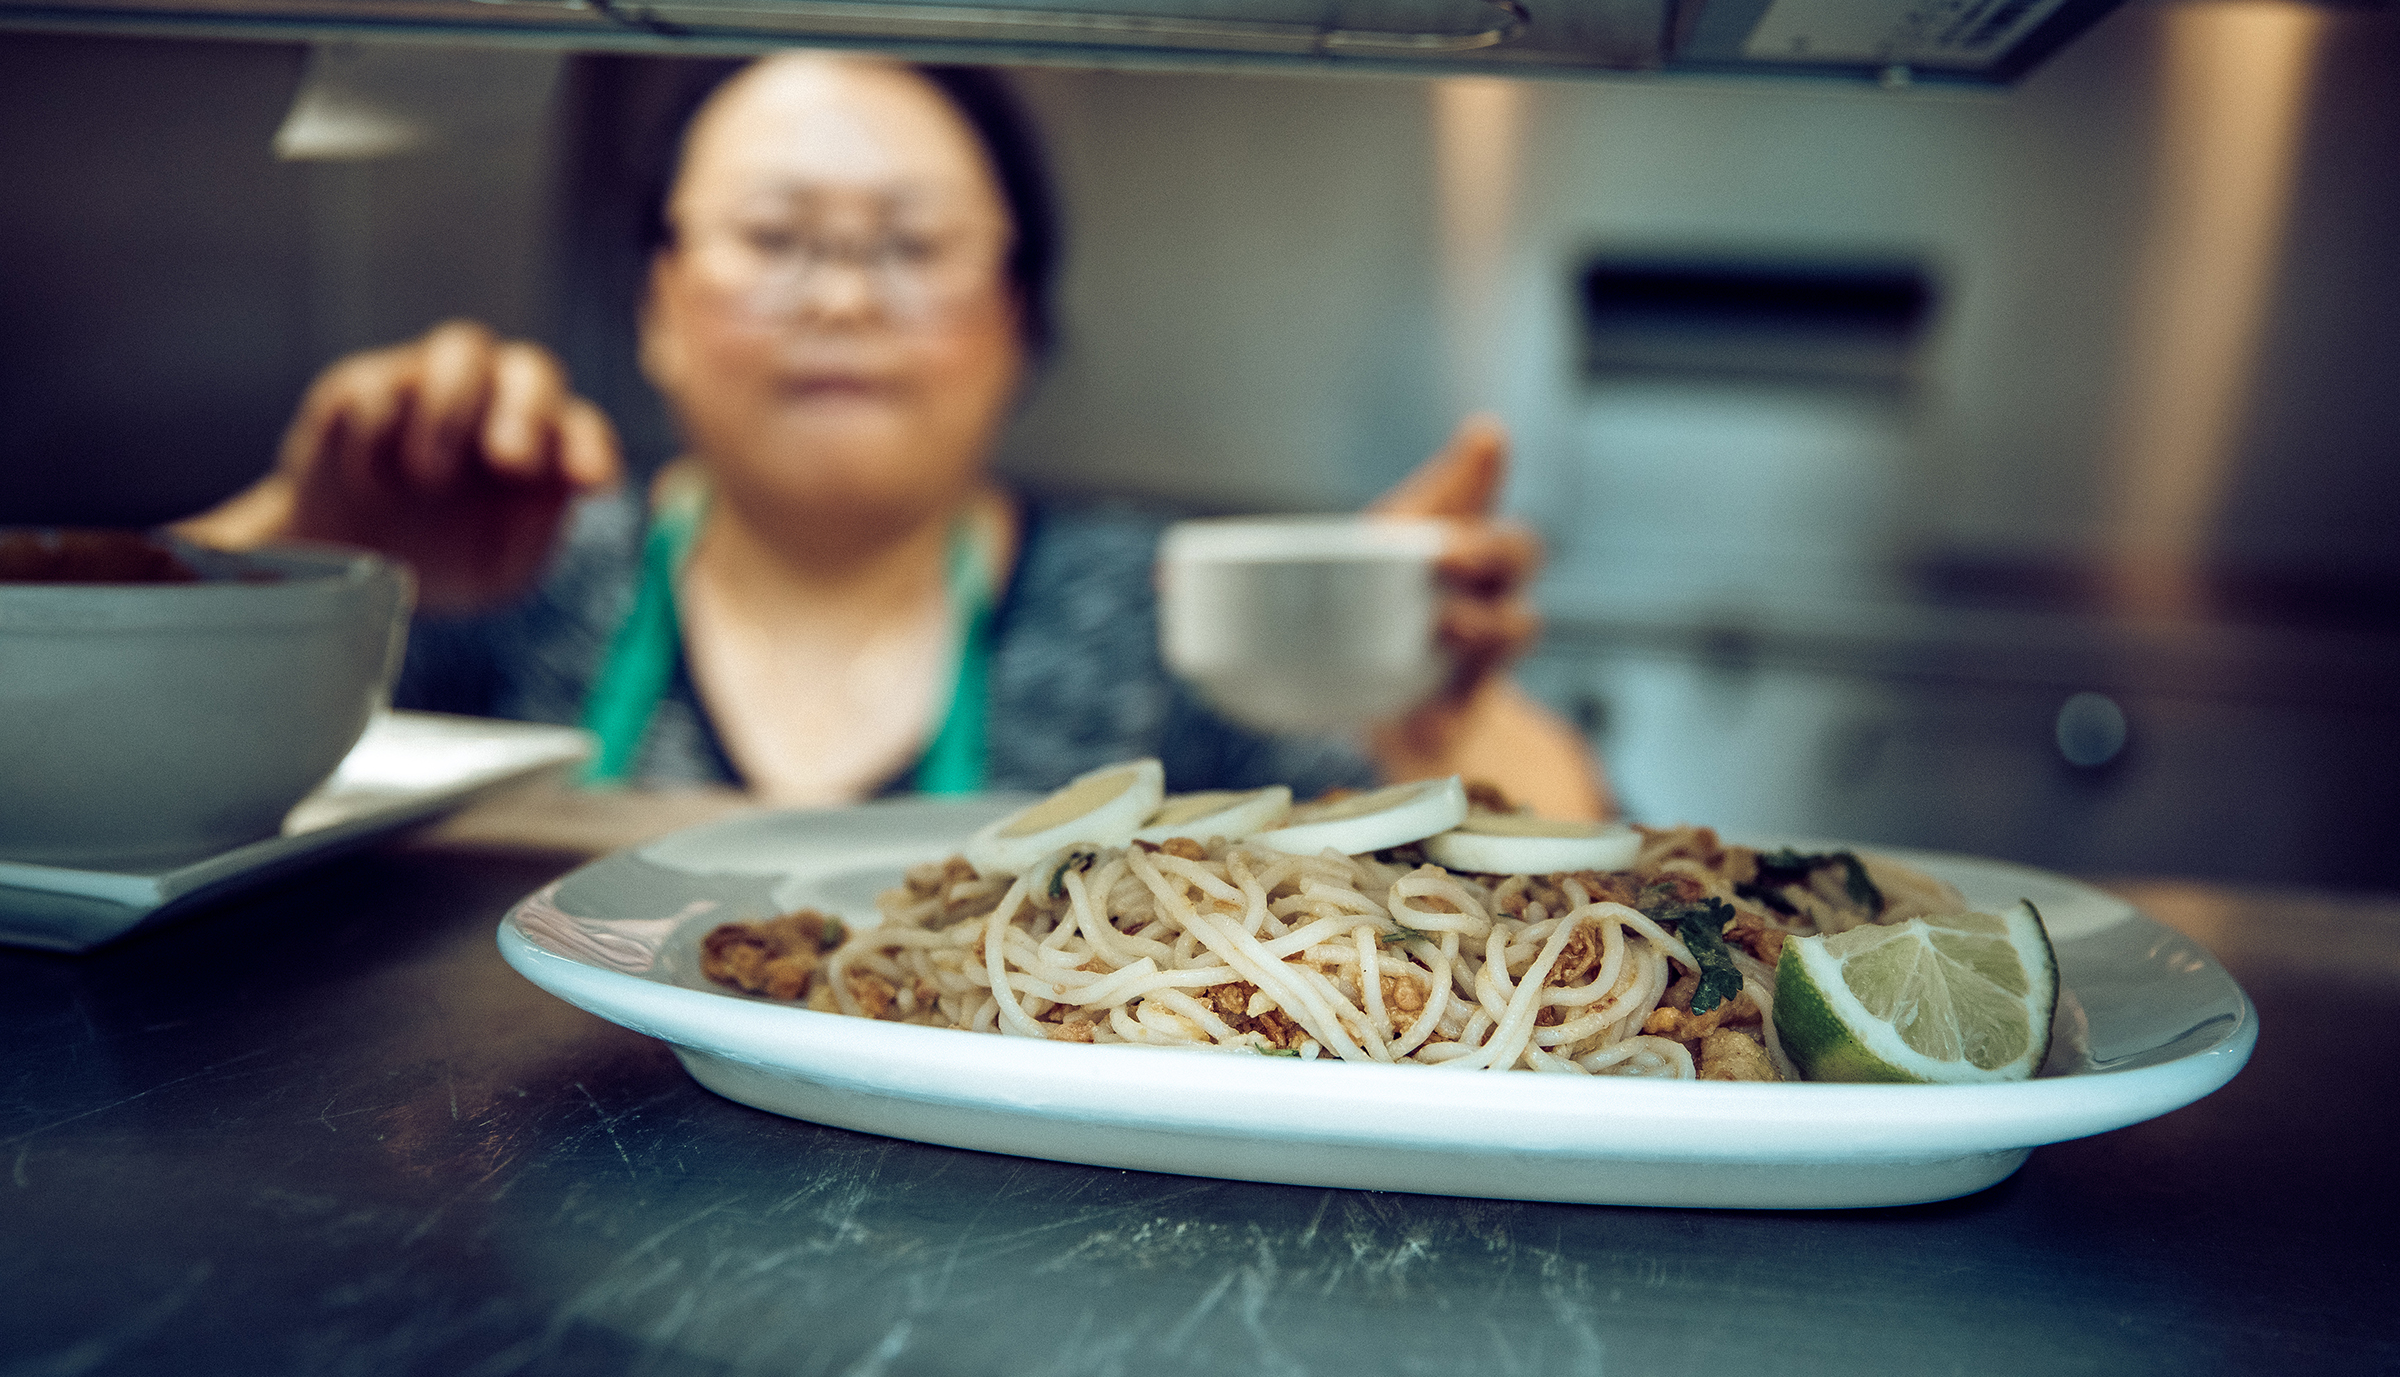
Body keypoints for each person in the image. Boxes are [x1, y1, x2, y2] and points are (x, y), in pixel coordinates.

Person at [180, 52, 1608, 817]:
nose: (846, 297)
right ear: (659, 305)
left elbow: (1587, 859)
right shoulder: (514, 564)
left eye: (914, 246)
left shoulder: (1160, 616)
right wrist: (286, 560)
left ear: (1019, 323)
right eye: (776, 238)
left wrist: (1443, 724)